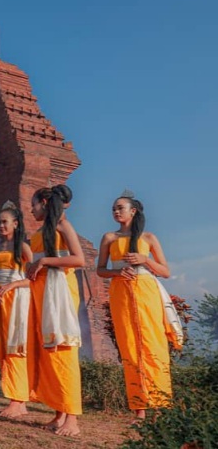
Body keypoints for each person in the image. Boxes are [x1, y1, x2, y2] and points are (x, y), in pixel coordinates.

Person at [95, 191, 183, 423]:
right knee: (130, 349)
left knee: (154, 348)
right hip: (121, 294)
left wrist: (146, 260)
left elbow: (165, 272)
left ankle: (160, 406)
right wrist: (116, 272)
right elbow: (100, 269)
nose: (115, 211)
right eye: (113, 208)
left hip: (147, 293)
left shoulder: (149, 238)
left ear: (133, 211)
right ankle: (139, 410)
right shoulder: (109, 238)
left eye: (120, 208)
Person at [26, 185, 85, 437]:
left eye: (34, 204)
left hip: (59, 294)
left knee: (63, 349)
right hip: (41, 293)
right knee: (49, 350)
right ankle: (59, 413)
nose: (31, 209)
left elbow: (79, 260)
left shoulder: (63, 227)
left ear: (45, 201)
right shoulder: (42, 231)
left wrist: (44, 261)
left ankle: (72, 417)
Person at [0, 201, 33, 418]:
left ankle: (19, 400)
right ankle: (14, 398)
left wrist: (12, 285)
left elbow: (34, 278)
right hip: (0, 301)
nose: (0, 226)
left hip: (17, 299)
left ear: (15, 224)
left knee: (17, 346)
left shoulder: (23, 247)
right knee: (5, 347)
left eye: (4, 222)